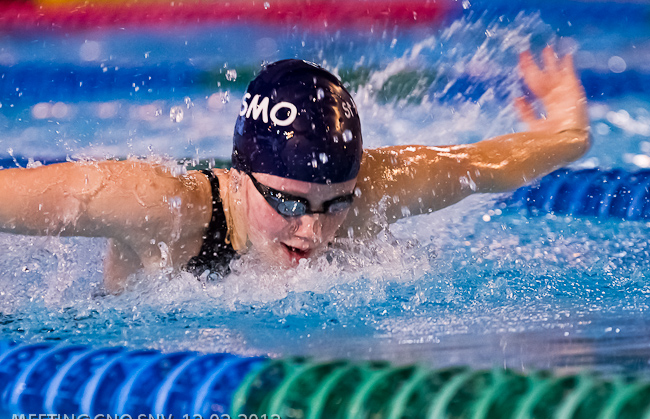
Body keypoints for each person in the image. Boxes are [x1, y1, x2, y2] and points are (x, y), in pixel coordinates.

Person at [0, 46, 590, 294]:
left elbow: (482, 166)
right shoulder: (158, 206)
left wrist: (570, 134)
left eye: (335, 204)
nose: (312, 231)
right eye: (286, 202)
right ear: (239, 174)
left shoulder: (373, 191)